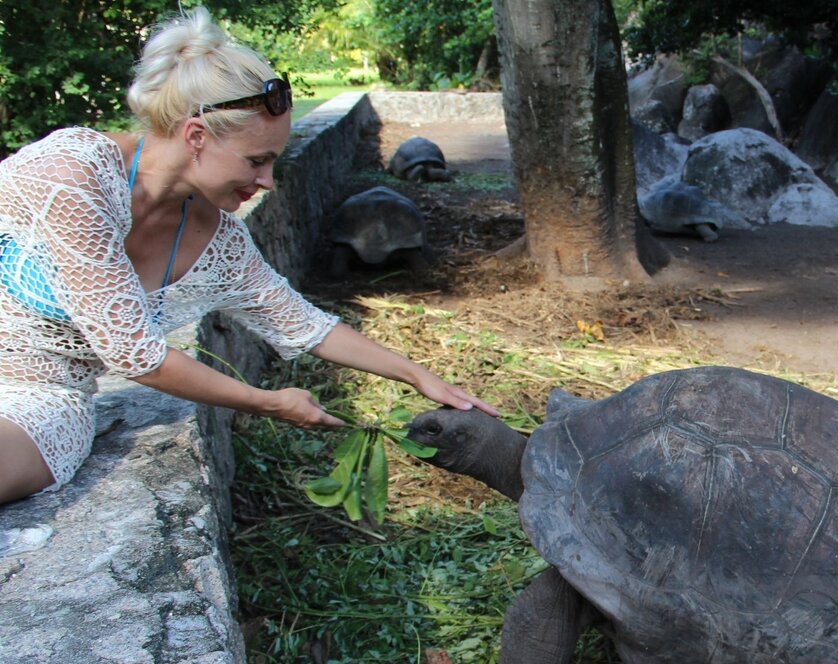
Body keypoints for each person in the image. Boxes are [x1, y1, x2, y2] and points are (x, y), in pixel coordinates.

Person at [0, 7, 499, 505]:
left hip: (41, 397)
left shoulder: (218, 240)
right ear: (196, 137)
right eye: (256, 160)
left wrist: (418, 375)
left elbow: (305, 324)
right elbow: (134, 356)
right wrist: (267, 402)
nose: (266, 182)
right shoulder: (74, 176)